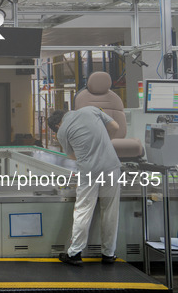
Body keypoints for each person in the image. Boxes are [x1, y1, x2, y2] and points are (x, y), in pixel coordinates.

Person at [48, 106, 121, 266]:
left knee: (83, 210)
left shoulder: (62, 132)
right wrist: (104, 144)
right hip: (111, 167)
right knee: (110, 211)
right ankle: (108, 254)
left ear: (57, 126)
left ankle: (75, 254)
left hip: (89, 172)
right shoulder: (91, 110)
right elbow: (115, 127)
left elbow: (72, 156)